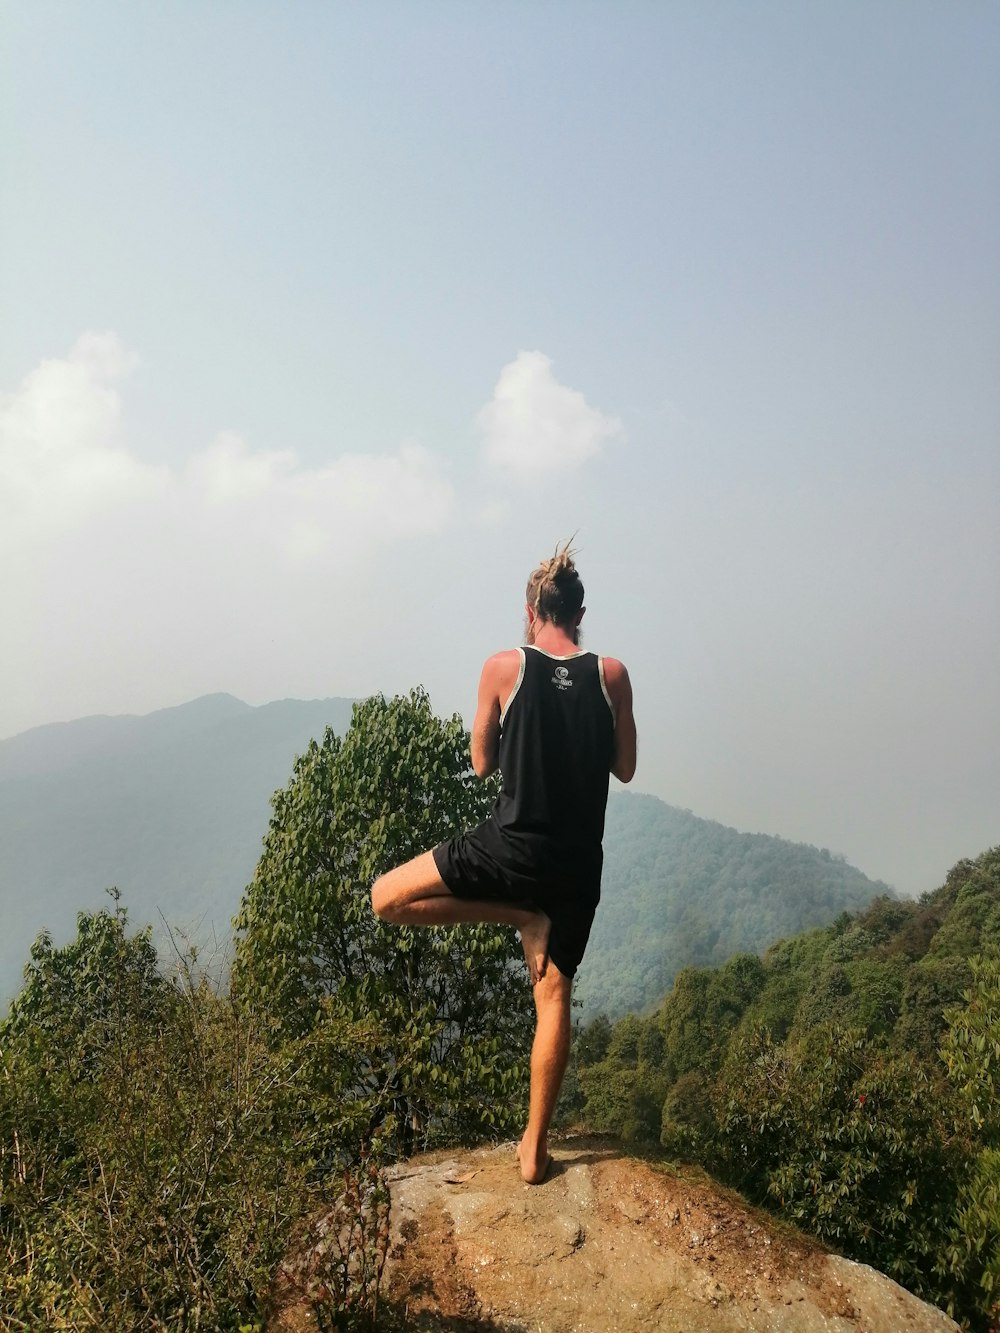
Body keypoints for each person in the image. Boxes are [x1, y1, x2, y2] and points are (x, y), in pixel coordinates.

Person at [371, 543, 637, 1183]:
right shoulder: (612, 675)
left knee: (385, 896)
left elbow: (483, 761)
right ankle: (534, 1150)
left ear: (530, 612)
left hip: (511, 848)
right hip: (577, 870)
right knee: (554, 997)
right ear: (580, 612)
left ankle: (518, 912)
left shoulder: (502, 666)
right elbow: (624, 768)